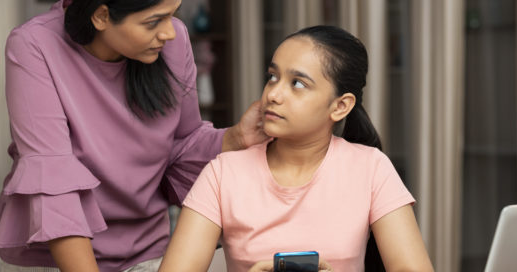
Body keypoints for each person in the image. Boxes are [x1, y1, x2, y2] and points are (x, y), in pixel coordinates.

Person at [0, 0, 268, 271]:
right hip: (59, 258)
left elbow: (184, 144)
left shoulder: (174, 40)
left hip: (148, 255)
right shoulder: (34, 44)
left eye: (172, 15)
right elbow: (52, 181)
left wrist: (235, 139)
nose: (169, 32)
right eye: (153, 21)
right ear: (101, 16)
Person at [159, 25, 434, 272]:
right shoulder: (223, 173)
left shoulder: (371, 168)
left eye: (298, 84)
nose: (273, 94)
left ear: (340, 106)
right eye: (272, 77)